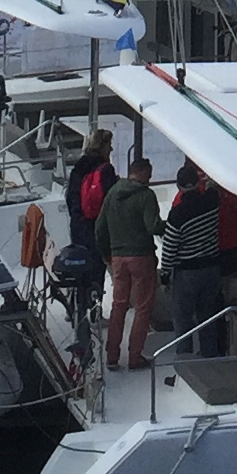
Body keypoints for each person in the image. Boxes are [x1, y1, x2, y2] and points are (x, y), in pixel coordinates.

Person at [94, 151, 161, 371]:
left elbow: (100, 227)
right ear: (142, 174)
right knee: (142, 308)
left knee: (118, 306)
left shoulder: (113, 193)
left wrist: (107, 254)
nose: (150, 179)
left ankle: (112, 356)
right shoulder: (146, 196)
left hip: (117, 258)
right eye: (149, 175)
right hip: (141, 256)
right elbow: (153, 227)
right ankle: (135, 356)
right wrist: (170, 225)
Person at [163, 159, 225, 354]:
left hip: (187, 272)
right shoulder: (212, 200)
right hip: (212, 267)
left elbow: (170, 248)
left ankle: (185, 362)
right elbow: (216, 185)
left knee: (183, 319)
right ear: (198, 184)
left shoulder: (177, 215)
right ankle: (209, 357)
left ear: (179, 187)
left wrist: (165, 274)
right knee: (207, 317)